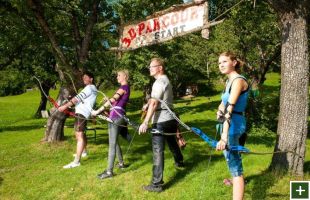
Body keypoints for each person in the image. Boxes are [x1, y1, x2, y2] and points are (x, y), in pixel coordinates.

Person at [139, 57, 184, 193]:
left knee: (158, 151)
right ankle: (179, 161)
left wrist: (146, 122)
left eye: (152, 66)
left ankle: (156, 184)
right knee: (171, 141)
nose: (150, 69)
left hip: (161, 121)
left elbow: (154, 103)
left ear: (160, 68)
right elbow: (157, 101)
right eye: (150, 67)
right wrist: (148, 104)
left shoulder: (159, 82)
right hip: (170, 119)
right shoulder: (166, 80)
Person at [216, 52, 249, 200]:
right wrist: (219, 109)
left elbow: (230, 107)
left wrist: (223, 137)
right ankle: (236, 181)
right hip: (230, 124)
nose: (221, 65)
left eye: (224, 61)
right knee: (232, 161)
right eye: (219, 63)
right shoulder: (229, 81)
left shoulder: (238, 81)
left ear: (234, 62)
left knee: (236, 168)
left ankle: (237, 183)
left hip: (233, 126)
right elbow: (224, 102)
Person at [92, 70, 131, 179]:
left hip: (116, 117)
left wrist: (97, 111)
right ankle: (121, 163)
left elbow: (114, 99)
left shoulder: (124, 87)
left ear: (125, 76)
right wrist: (108, 100)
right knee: (115, 142)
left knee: (112, 144)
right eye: (117, 75)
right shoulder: (124, 88)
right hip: (115, 116)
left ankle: (109, 172)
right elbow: (115, 101)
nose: (117, 77)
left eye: (119, 75)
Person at [59, 71, 98, 169]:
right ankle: (83, 152)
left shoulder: (90, 88)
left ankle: (76, 161)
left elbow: (78, 98)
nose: (84, 79)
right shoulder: (92, 88)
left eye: (86, 77)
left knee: (79, 135)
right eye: (83, 77)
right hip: (82, 113)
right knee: (81, 134)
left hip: (82, 114)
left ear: (91, 79)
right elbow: (81, 99)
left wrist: (65, 106)